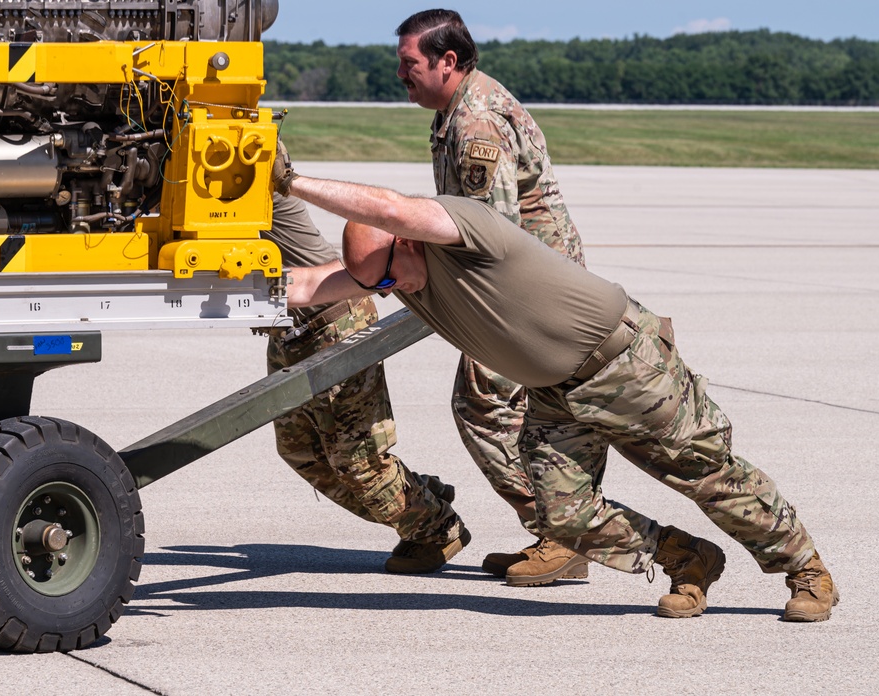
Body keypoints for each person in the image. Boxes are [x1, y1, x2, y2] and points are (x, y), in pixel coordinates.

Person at [270, 151, 839, 621]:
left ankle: (807, 572)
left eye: (389, 277)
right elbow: (308, 284)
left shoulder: (468, 231)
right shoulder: (392, 271)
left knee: (707, 474)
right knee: (564, 515)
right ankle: (686, 558)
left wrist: (292, 182)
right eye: (378, 284)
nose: (390, 291)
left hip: (626, 367)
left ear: (408, 239)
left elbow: (393, 206)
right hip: (555, 394)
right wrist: (200, 287)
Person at [395, 8, 588, 586]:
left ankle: (563, 536)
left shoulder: (476, 123)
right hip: (531, 286)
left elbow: (493, 234)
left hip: (526, 294)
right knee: (530, 418)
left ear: (446, 61)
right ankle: (560, 532)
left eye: (409, 65)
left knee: (483, 405)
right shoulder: (456, 110)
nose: (401, 76)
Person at [258, 192, 468, 574]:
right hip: (289, 330)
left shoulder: (241, 171)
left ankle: (437, 527)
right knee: (301, 450)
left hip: (334, 322)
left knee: (358, 464)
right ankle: (419, 497)